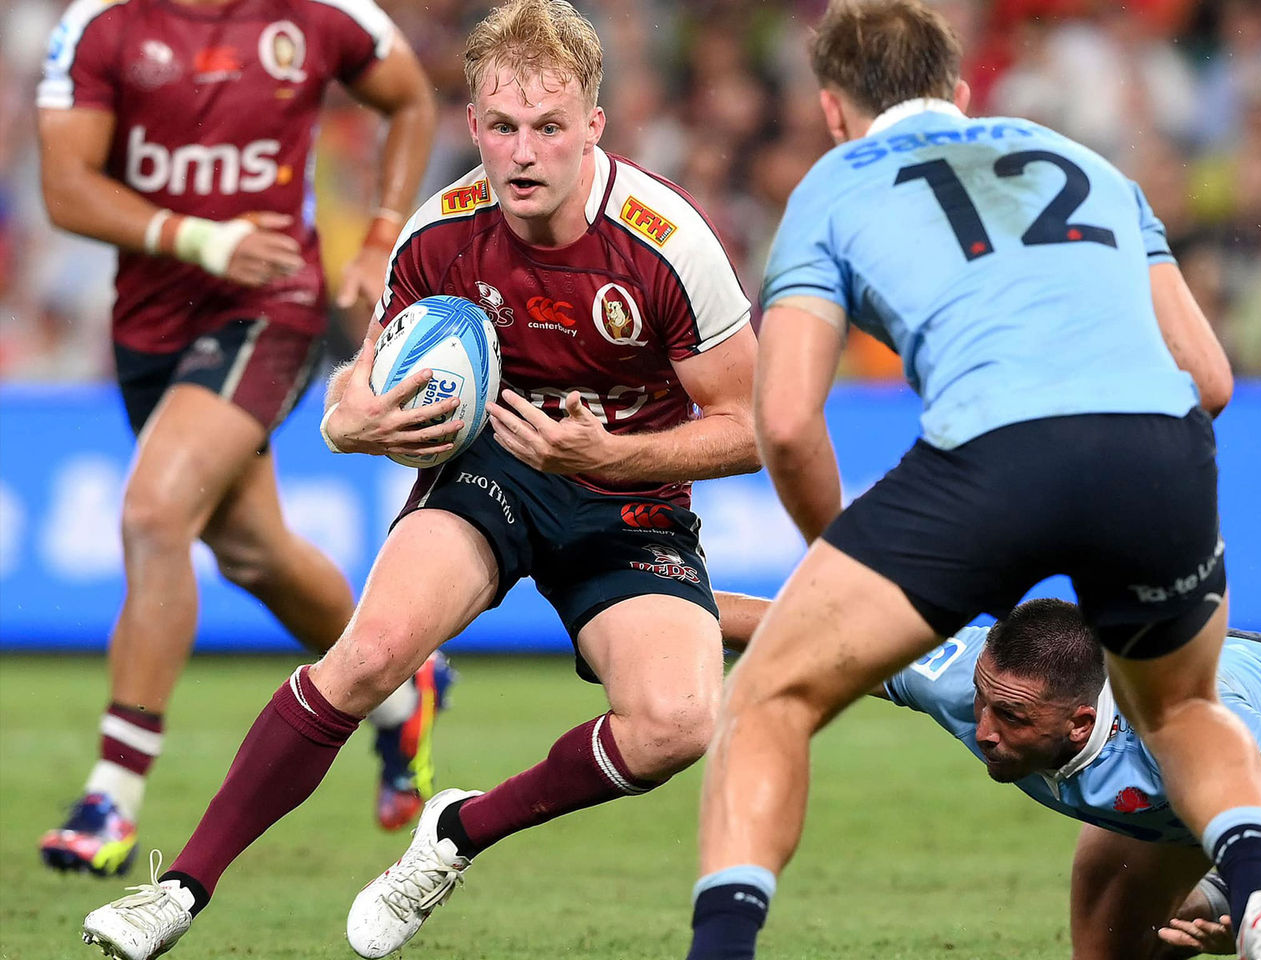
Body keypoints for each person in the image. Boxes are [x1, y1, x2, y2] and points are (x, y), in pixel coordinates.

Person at [79, 1, 760, 957]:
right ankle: (180, 892)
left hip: (626, 493)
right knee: (366, 656)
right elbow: (361, 390)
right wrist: (346, 423)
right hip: (490, 475)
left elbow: (754, 430)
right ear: (473, 125)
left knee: (676, 723)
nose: (524, 153)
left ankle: (458, 832)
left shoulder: (667, 242)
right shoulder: (440, 235)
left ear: (593, 127)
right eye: (504, 127)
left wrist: (613, 457)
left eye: (550, 127)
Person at [685, 3, 1261, 960]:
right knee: (1183, 710)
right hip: (1157, 446)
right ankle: (1260, 895)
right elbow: (1209, 379)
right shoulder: (1090, 165)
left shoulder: (835, 183)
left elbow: (788, 421)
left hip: (990, 450)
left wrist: (838, 570)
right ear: (960, 97)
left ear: (835, 111)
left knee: (770, 702)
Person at [35, 0, 447, 875]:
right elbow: (64, 187)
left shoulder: (317, 15)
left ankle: (113, 792)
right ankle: (404, 679)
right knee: (254, 552)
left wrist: (380, 234)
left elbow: (411, 97)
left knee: (153, 514)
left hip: (271, 305)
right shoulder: (103, 24)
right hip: (154, 320)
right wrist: (195, 236)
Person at [879, 598, 1261, 960]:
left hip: (1237, 766)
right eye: (981, 698)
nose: (984, 730)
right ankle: (1223, 894)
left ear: (1080, 724)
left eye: (1012, 717)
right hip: (1173, 800)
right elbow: (829, 650)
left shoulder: (1178, 723)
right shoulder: (956, 675)